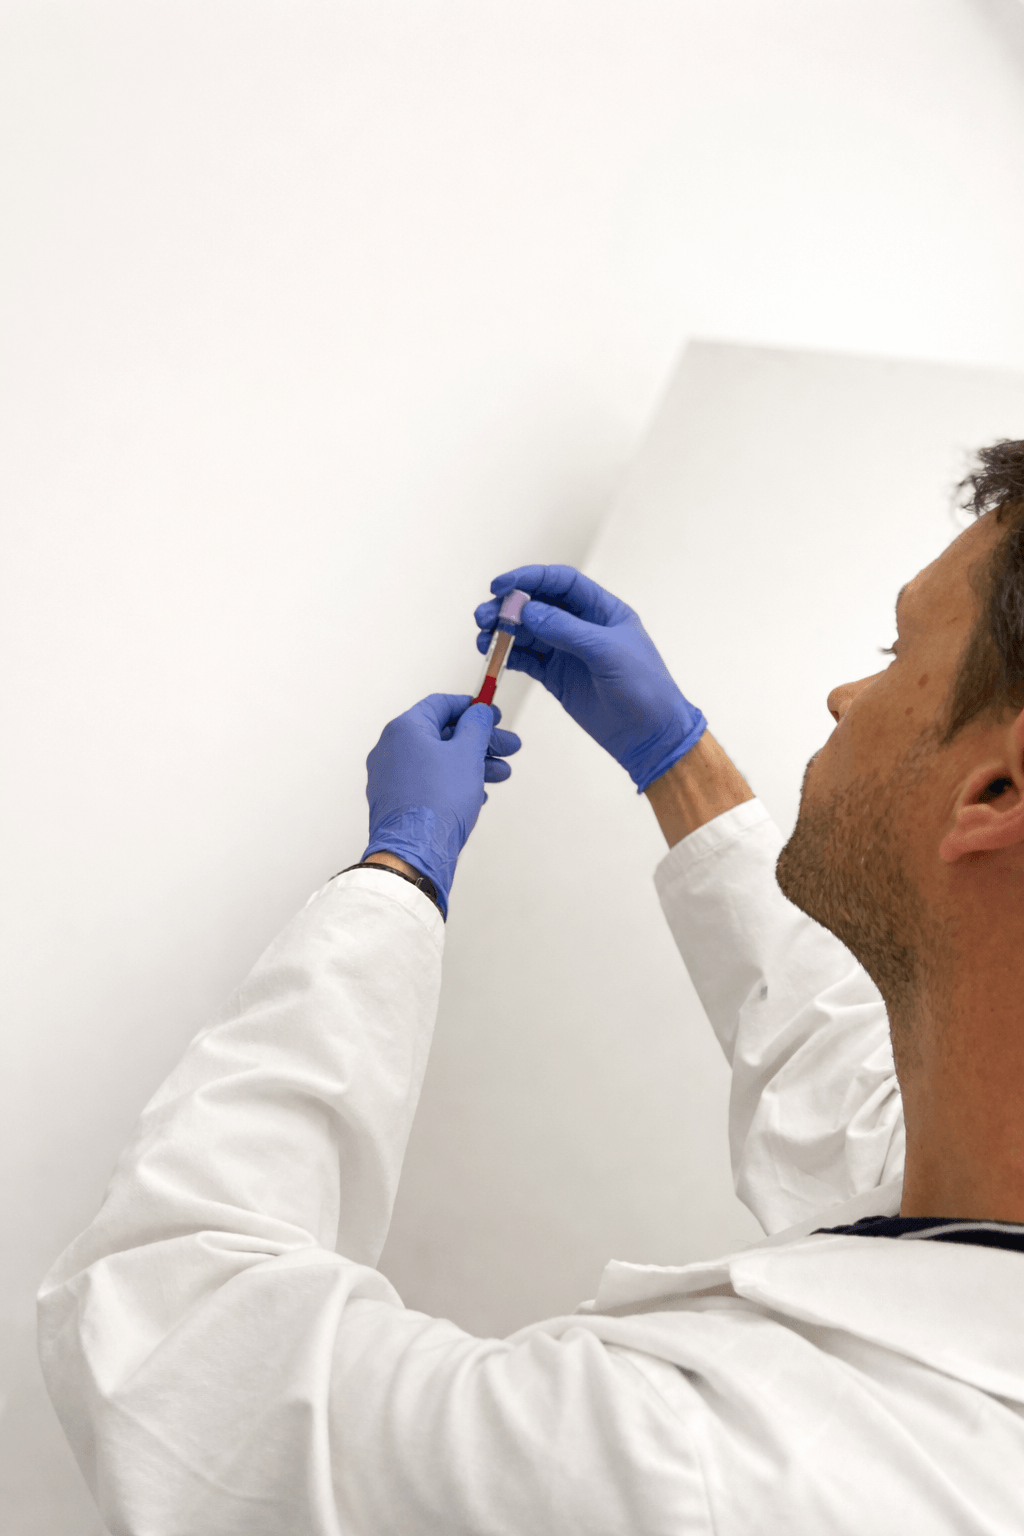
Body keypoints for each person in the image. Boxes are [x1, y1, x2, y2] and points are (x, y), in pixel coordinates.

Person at [38, 440, 1024, 1534]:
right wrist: (673, 755)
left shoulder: (695, 1468)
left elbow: (180, 1343)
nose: (848, 693)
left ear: (996, 785)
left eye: (895, 650)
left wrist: (398, 872)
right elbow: (852, 1105)